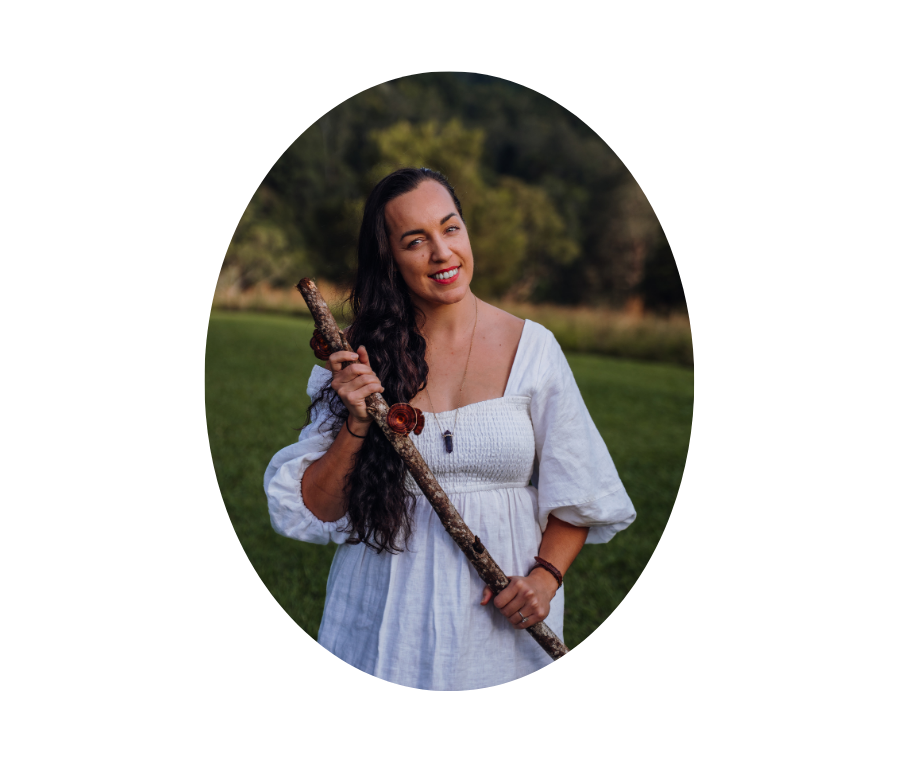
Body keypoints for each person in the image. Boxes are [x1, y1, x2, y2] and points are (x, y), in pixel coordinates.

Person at [264, 167, 636, 703]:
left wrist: (545, 579)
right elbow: (318, 508)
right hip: (384, 620)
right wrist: (358, 421)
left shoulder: (534, 348)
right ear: (389, 258)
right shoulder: (355, 358)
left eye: (451, 228)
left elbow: (580, 489)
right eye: (415, 241)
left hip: (501, 626)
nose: (442, 253)